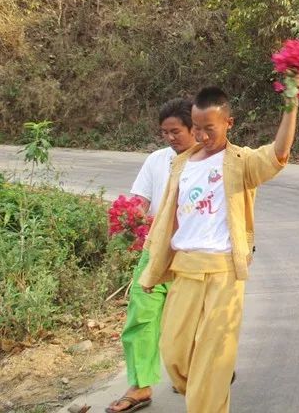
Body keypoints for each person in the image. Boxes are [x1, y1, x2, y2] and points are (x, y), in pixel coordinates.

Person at [139, 79, 299, 413]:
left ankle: (211, 391)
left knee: (213, 359)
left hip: (223, 273)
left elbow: (279, 153)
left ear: (229, 123)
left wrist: (292, 105)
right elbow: (167, 221)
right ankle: (210, 383)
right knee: (173, 355)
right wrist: (152, 269)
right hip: (184, 270)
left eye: (209, 129)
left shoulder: (240, 161)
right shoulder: (182, 164)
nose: (202, 135)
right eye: (197, 128)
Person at [106, 98, 196, 413]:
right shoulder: (157, 160)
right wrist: (133, 216)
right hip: (155, 250)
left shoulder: (209, 160)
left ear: (194, 128)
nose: (170, 138)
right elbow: (140, 199)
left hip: (192, 252)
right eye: (164, 132)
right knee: (141, 313)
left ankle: (189, 373)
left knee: (189, 318)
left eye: (176, 131)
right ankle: (141, 384)